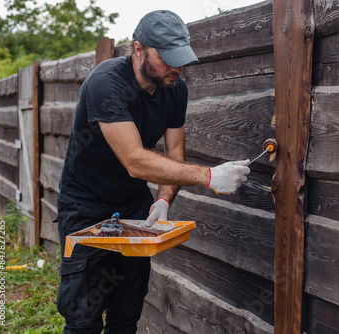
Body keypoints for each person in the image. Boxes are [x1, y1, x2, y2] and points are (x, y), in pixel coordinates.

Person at [56, 10, 250, 333]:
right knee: (83, 319)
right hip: (85, 206)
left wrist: (164, 200)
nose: (177, 68)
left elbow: (174, 153)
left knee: (126, 314)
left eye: (182, 59)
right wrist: (210, 177)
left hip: (133, 206)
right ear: (138, 49)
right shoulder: (105, 84)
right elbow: (134, 160)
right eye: (168, 58)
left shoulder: (175, 90)